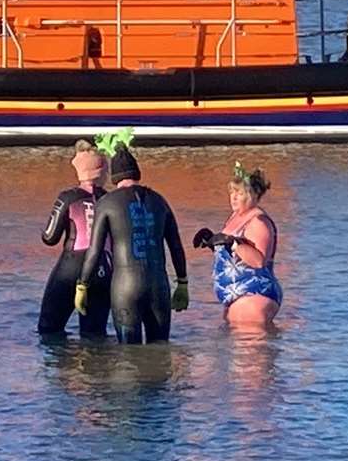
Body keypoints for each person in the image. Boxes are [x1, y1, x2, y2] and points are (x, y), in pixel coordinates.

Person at [80, 130, 190, 344]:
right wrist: (183, 282)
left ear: (115, 177)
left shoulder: (107, 203)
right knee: (160, 348)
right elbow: (176, 246)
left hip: (125, 288)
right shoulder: (160, 201)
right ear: (136, 173)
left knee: (128, 354)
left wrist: (82, 284)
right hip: (159, 285)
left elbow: (94, 251)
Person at [194, 163, 283, 326]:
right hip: (237, 299)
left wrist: (231, 243)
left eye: (239, 193)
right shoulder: (236, 216)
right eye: (232, 192)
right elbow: (235, 254)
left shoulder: (258, 222)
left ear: (254, 195)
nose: (233, 197)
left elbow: (258, 261)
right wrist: (213, 242)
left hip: (253, 297)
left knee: (249, 349)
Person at [38, 141, 111, 338]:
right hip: (103, 269)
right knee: (95, 336)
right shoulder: (111, 200)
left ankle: (64, 365)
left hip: (71, 268)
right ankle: (96, 367)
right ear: (101, 172)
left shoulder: (68, 197)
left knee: (49, 329)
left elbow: (49, 237)